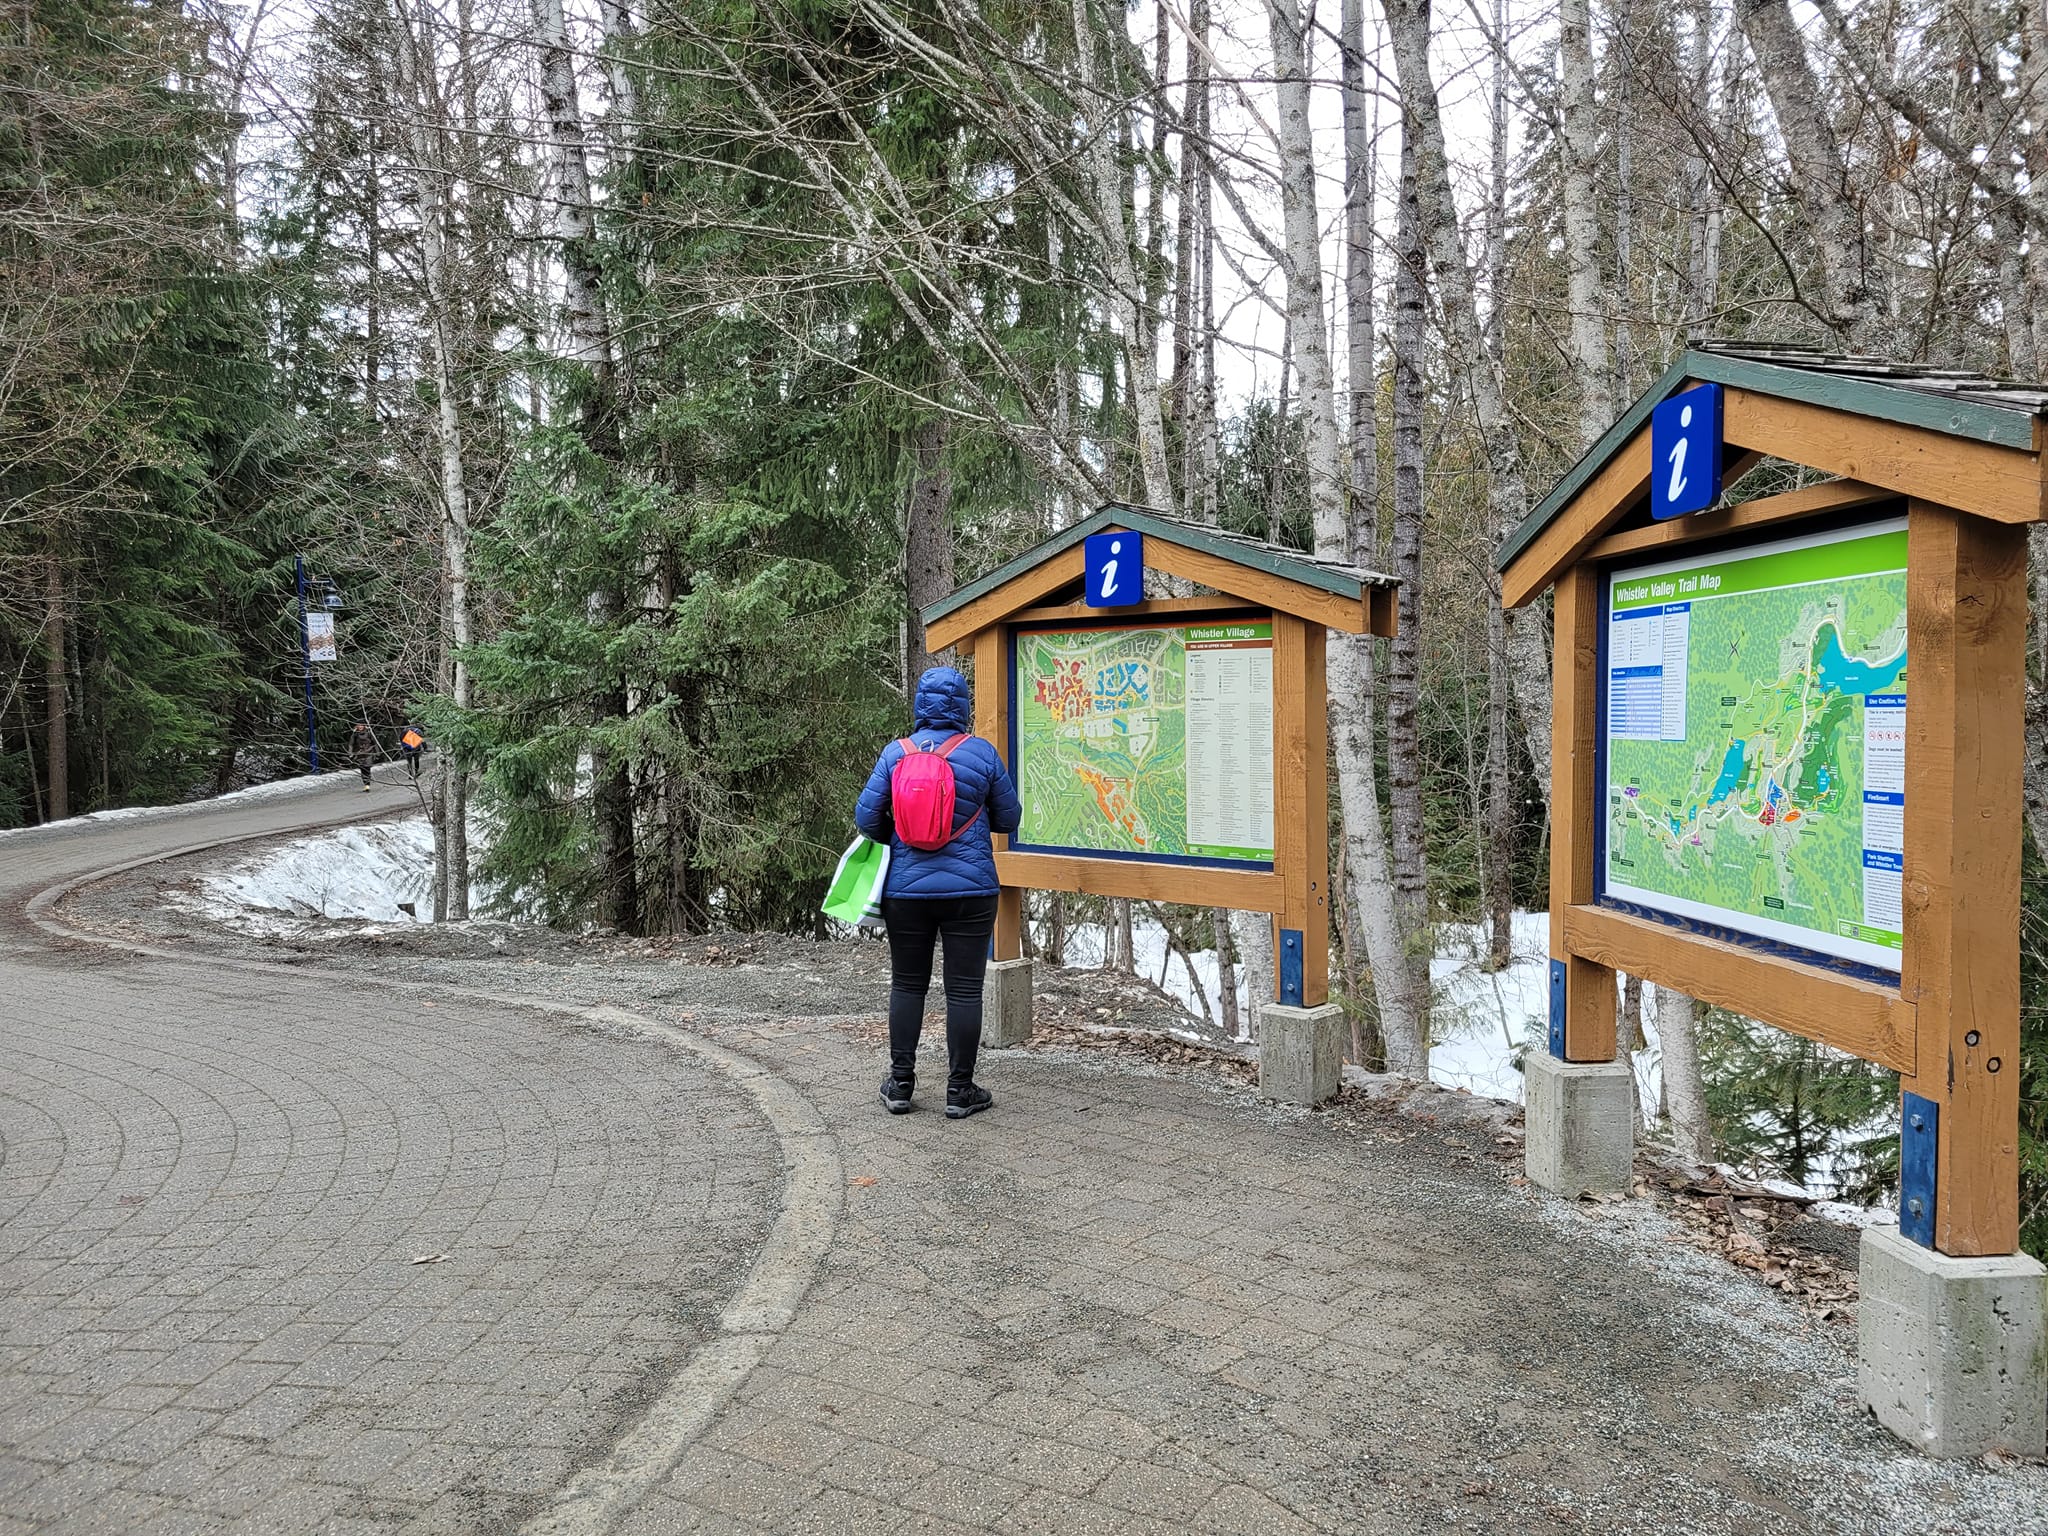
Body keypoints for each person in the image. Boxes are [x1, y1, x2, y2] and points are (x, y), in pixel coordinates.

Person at [854, 665, 1021, 1120]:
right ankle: (959, 1090)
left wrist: (906, 836)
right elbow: (1008, 819)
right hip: (971, 891)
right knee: (964, 990)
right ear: (963, 707)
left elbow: (867, 820)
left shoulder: (896, 754)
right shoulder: (982, 754)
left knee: (908, 983)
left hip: (906, 892)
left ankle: (901, 1084)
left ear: (920, 705)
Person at [350, 720, 375, 791]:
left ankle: (367, 784)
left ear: (364, 725)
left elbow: (374, 742)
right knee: (362, 769)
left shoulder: (369, 733)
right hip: (359, 754)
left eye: (361, 725)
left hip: (368, 753)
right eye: (358, 725)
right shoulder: (355, 734)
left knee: (367, 768)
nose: (360, 726)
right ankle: (366, 784)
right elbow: (351, 744)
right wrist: (350, 752)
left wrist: (377, 752)